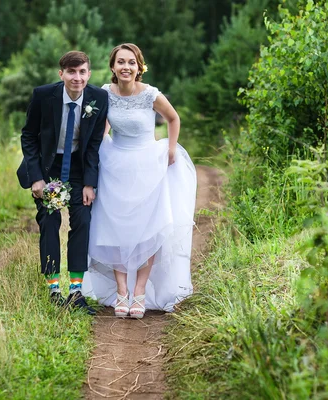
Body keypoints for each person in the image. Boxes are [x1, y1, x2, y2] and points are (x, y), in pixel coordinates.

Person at [83, 43, 196, 318]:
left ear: (139, 67)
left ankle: (141, 292)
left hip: (147, 164)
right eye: (121, 62)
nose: (126, 67)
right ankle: (122, 292)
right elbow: (103, 127)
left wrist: (170, 147)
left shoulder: (150, 95)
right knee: (116, 228)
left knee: (147, 229)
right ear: (112, 67)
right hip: (115, 166)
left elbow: (173, 118)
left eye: (131, 62)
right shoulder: (105, 94)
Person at [17, 51, 108, 315]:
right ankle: (54, 289)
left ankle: (76, 291)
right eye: (71, 72)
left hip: (79, 169)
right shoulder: (44, 96)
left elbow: (93, 145)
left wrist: (90, 182)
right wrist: (37, 178)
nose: (77, 77)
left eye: (82, 72)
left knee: (83, 221)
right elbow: (28, 136)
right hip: (49, 168)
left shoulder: (99, 98)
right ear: (61, 74)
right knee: (49, 221)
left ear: (89, 74)